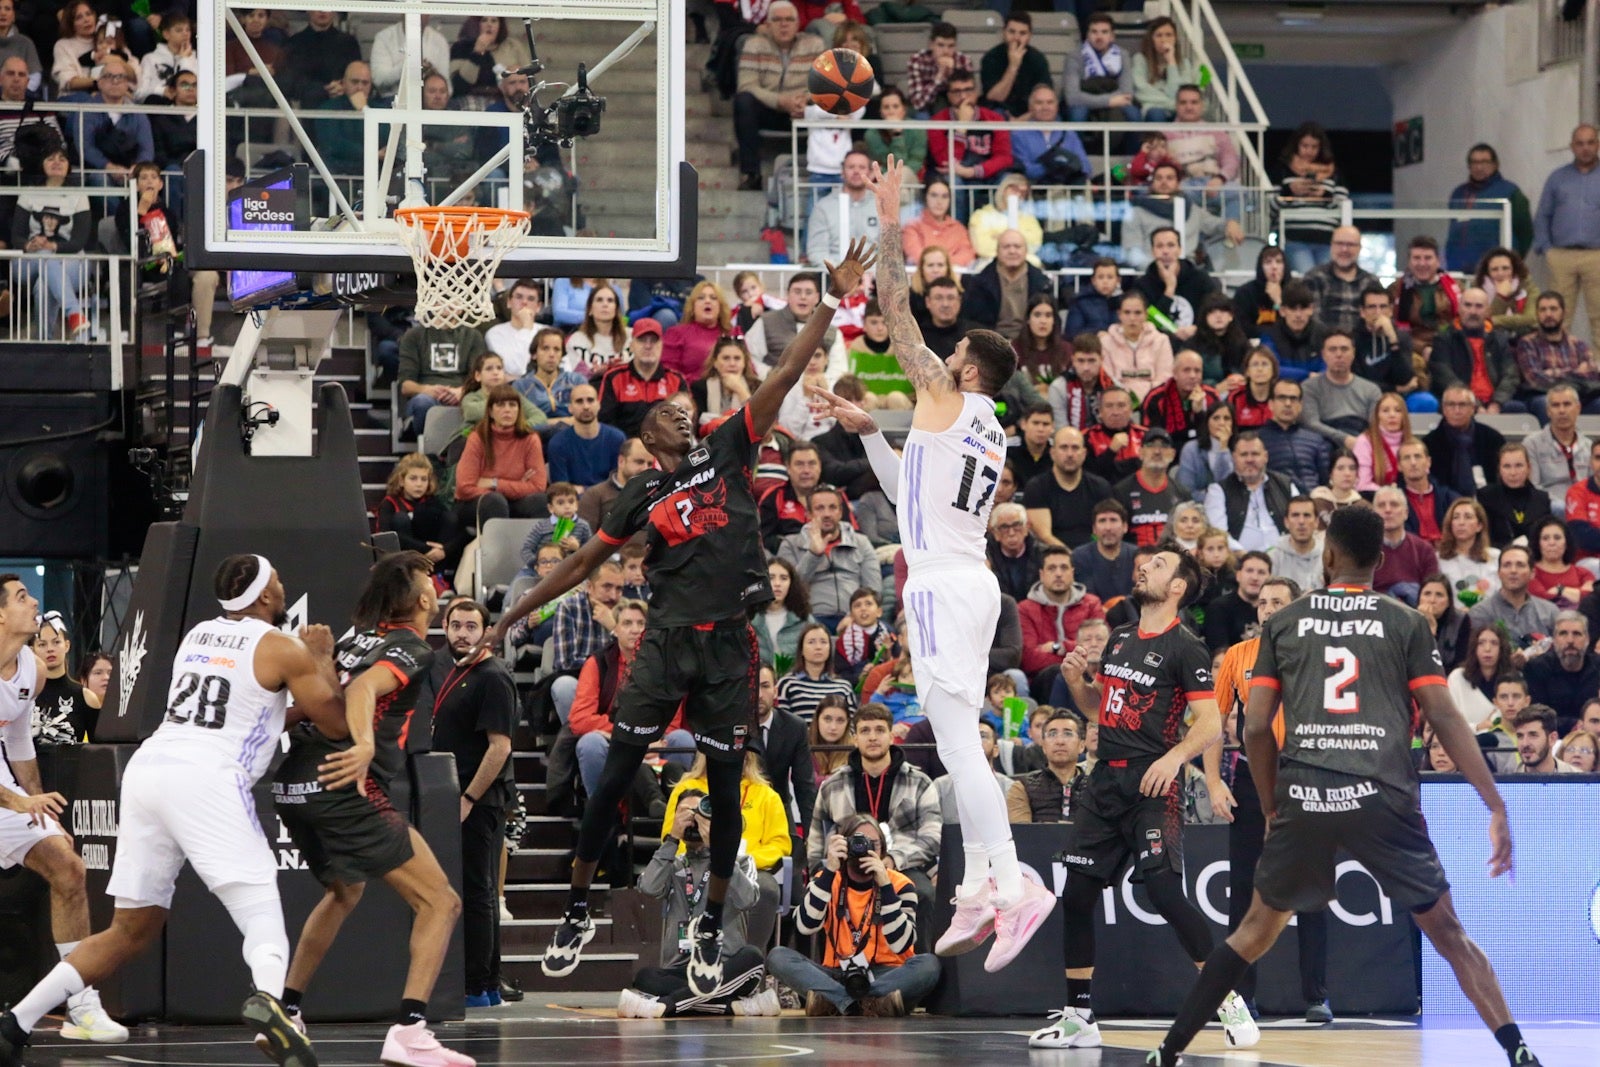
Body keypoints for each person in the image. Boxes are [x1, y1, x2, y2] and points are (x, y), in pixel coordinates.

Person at [483, 240, 876, 997]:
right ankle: (577, 906)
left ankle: (709, 923)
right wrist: (511, 615)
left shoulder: (728, 444)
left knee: (727, 791)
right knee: (614, 779)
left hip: (730, 644)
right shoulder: (635, 496)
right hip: (664, 644)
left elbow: (788, 368)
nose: (682, 413)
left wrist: (830, 298)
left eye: (684, 407)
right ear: (647, 438)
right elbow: (576, 566)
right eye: (669, 412)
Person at [1144, 505, 1541, 1067]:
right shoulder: (1406, 621)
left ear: (1326, 557)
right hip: (1383, 793)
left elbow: (1254, 727)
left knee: (1253, 932)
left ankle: (1167, 1051)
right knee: (1448, 932)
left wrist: (1272, 801)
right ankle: (1518, 1050)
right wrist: (1495, 803)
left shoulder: (1283, 623)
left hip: (1305, 792)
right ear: (1380, 562)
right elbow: (1445, 717)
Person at [806, 154, 1060, 971]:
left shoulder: (948, 396)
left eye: (949, 355)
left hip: (949, 588)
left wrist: (890, 215)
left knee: (956, 742)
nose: (936, 357)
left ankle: (1015, 886)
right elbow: (913, 497)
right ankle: (985, 881)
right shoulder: (974, 424)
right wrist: (869, 429)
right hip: (953, 574)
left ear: (968, 367)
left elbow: (892, 306)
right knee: (951, 740)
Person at [0, 558, 346, 1067]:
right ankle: (275, 1005)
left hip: (149, 770)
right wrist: (319, 659)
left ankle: (16, 1022)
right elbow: (335, 723)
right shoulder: (284, 648)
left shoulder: (199, 635)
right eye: (278, 581)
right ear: (268, 595)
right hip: (208, 777)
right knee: (260, 910)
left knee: (130, 930)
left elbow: (248, 704)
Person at [1033, 546, 1255, 1051]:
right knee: (1078, 894)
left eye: (1157, 565)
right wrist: (1076, 683)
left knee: (1163, 892)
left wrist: (1175, 759)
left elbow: (1211, 723)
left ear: (1178, 586)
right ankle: (1080, 1016)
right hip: (1105, 782)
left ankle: (1226, 998)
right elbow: (1099, 712)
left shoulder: (1187, 647)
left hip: (1154, 782)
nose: (1144, 567)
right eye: (1146, 563)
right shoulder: (1120, 637)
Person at [270, 553, 470, 1066]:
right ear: (425, 599)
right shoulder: (410, 648)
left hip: (294, 784)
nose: (433, 582)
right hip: (343, 783)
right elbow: (361, 689)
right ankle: (409, 1031)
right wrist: (362, 746)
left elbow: (325, 691)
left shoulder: (352, 636)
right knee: (440, 902)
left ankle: (287, 1012)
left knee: (344, 891)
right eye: (429, 578)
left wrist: (318, 660)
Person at [1205, 575, 1331, 1022]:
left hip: (1304, 776)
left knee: (1311, 886)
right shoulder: (1238, 657)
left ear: (1297, 607)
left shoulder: (1317, 653)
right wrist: (1214, 782)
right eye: (1262, 602)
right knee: (1245, 890)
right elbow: (1212, 721)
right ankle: (1244, 997)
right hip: (1251, 779)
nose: (1269, 608)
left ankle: (1316, 996)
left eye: (1279, 601)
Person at [0, 590, 119, 1044]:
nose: (34, 604)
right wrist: (19, 804)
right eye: (22, 597)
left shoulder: (29, 668)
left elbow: (17, 744)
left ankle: (82, 1008)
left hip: (6, 791)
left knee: (69, 869)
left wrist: (36, 804)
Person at [617, 787, 776, 1018]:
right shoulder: (673, 864)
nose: (693, 822)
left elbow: (747, 900)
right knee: (645, 977)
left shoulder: (740, 861)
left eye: (699, 816)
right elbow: (648, 888)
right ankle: (731, 1006)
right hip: (681, 969)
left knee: (752, 958)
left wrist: (718, 847)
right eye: (686, 815)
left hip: (725, 966)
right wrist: (671, 838)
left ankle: (665, 1005)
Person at [426, 600, 515, 1009]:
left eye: (471, 626)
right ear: (444, 626)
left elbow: (499, 748)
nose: (463, 633)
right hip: (448, 796)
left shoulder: (492, 676)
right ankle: (482, 982)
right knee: (463, 889)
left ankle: (481, 985)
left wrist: (469, 798)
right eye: (456, 625)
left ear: (486, 630)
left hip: (479, 799)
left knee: (479, 891)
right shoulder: (446, 669)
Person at [767, 813, 940, 1017]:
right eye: (856, 841)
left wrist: (885, 886)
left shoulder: (901, 884)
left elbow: (901, 944)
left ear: (883, 849)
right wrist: (830, 869)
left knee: (929, 964)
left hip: (887, 973)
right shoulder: (826, 879)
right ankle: (869, 1003)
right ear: (844, 845)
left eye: (871, 843)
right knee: (778, 956)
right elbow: (806, 925)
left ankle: (838, 1002)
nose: (863, 848)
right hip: (838, 973)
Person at [1531, 124, 1600, 343]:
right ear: (1572, 147)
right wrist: (1546, 248)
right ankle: (1559, 364)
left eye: (1590, 142)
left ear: (1597, 145)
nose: (1585, 148)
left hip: (1596, 256)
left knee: (1599, 315)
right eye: (1580, 143)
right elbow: (1543, 215)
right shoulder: (1557, 178)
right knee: (1557, 314)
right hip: (1561, 255)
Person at [1428, 287, 1524, 414]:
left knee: (1518, 409)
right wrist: (1474, 404)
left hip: (1495, 403)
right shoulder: (1443, 339)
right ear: (1459, 308)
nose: (1473, 311)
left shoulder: (1499, 339)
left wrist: (1497, 403)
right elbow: (1445, 377)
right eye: (1467, 305)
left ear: (1488, 311)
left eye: (1479, 306)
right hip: (1459, 401)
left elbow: (1511, 375)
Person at [1268, 124, 1347, 274]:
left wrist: (1324, 196)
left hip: (1326, 239)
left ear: (1321, 148)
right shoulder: (1282, 171)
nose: (1309, 151)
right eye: (1305, 146)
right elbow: (1270, 206)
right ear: (1296, 145)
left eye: (1314, 147)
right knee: (1309, 277)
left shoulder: (1334, 173)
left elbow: (1344, 208)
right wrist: (1290, 192)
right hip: (1294, 238)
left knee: (1325, 280)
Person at [1204, 432, 1298, 553]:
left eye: (1255, 454)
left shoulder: (1285, 484)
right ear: (1234, 458)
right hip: (1240, 562)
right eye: (1244, 455)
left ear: (1266, 457)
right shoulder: (1218, 491)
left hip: (1285, 557)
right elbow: (1219, 534)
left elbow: (1302, 517)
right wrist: (1244, 556)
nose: (1249, 460)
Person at [1447, 144, 1534, 274]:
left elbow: (1525, 233)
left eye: (1484, 162)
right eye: (1474, 162)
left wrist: (1512, 261)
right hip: (1460, 270)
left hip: (1495, 271)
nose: (1479, 167)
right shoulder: (1459, 194)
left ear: (1495, 164)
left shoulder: (1510, 192)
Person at [1514, 293, 1600, 421]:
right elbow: (1535, 379)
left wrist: (1551, 374)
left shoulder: (1578, 344)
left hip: (1578, 398)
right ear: (1537, 314)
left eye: (1553, 309)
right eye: (1543, 310)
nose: (1548, 314)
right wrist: (1575, 372)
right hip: (1542, 396)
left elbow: (1592, 376)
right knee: (1545, 404)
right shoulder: (1527, 343)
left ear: (1563, 313)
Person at [925, 69, 1013, 193]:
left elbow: (1004, 157)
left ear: (976, 92)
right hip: (955, 176)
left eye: (968, 90)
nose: (963, 96)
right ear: (949, 95)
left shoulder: (994, 118)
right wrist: (961, 127)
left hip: (987, 174)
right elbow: (945, 161)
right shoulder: (937, 121)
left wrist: (972, 172)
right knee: (951, 181)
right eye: (957, 91)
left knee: (1009, 181)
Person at [1134, 227, 1219, 344]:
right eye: (1160, 246)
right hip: (1157, 345)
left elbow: (1216, 309)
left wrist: (1199, 328)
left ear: (1179, 249)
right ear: (1153, 251)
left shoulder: (1200, 279)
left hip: (1198, 340)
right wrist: (1169, 289)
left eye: (1171, 245)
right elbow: (1148, 321)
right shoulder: (1142, 285)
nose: (1165, 251)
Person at [1300, 331, 1382, 452]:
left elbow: (1376, 427)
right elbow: (1310, 423)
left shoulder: (1371, 390)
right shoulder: (1309, 387)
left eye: (1344, 349)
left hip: (1362, 445)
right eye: (1332, 349)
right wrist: (1345, 439)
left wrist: (1361, 442)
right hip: (1322, 444)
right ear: (1323, 355)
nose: (1339, 354)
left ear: (1353, 353)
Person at [1468, 545, 1559, 649]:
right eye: (1507, 565)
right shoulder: (1480, 612)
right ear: (1499, 573)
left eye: (1520, 565)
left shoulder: (1550, 612)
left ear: (1532, 573)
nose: (1513, 571)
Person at [1522, 611, 1600, 733]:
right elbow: (1537, 716)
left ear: (1587, 639)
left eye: (1577, 634)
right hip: (1551, 738)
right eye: (1563, 633)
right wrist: (1575, 725)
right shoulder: (1536, 668)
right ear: (1554, 640)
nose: (1570, 640)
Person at [1006, 708, 1087, 823]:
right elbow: (1022, 835)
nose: (1060, 741)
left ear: (1082, 746)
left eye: (1068, 734)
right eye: (1052, 734)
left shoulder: (1097, 788)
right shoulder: (1022, 787)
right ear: (1043, 746)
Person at [1064, 12, 1139, 133]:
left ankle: (1132, 152)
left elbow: (1127, 93)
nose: (1099, 37)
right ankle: (1076, 152)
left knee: (1134, 115)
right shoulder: (1074, 56)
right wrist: (1108, 101)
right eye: (1094, 32)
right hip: (1085, 101)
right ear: (1087, 35)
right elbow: (1072, 97)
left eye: (1104, 32)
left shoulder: (1122, 54)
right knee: (1078, 115)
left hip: (1107, 99)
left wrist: (1110, 101)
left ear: (1112, 36)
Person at [1387, 235, 1461, 358]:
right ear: (1409, 262)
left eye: (1428, 258)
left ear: (1438, 261)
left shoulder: (1457, 288)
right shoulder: (1395, 290)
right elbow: (1391, 328)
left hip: (1450, 348)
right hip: (1409, 351)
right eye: (1416, 258)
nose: (1422, 263)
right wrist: (1423, 349)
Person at [807, 150, 881, 269]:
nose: (856, 171)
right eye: (851, 167)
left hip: (874, 278)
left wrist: (869, 274)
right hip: (834, 279)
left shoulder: (881, 206)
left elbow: (889, 251)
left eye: (862, 167)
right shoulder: (823, 207)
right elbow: (817, 252)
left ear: (871, 173)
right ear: (842, 172)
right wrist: (842, 275)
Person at [1100, 290, 1175, 404]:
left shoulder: (1161, 340)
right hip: (1118, 402)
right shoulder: (1106, 342)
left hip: (1154, 401)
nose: (1132, 318)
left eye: (1137, 313)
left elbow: (1165, 378)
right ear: (1119, 314)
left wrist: (1146, 397)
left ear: (1146, 315)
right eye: (1127, 312)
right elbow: (1108, 379)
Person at [1352, 284, 1424, 402]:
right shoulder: (1353, 338)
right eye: (1371, 307)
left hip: (1398, 397)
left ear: (1390, 311)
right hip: (1364, 396)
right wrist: (1396, 389)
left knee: (1424, 401)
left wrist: (1392, 339)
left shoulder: (1401, 337)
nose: (1378, 312)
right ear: (1362, 312)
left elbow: (1406, 379)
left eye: (1383, 307)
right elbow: (1356, 382)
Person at [1257, 378, 1329, 494]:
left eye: (1293, 399)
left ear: (1300, 405)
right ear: (1270, 404)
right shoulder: (1258, 440)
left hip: (1315, 502)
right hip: (1277, 501)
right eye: (1281, 398)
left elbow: (1326, 480)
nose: (1288, 404)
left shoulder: (1316, 440)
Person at [1302, 225, 1378, 336]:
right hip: (1324, 346)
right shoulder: (1314, 278)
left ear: (1359, 248)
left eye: (1350, 245)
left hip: (1362, 347)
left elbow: (1376, 319)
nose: (1344, 249)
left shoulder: (1371, 282)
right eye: (1339, 244)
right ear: (1331, 246)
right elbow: (1312, 322)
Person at [1371, 487, 1439, 607]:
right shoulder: (1362, 551)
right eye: (1381, 505)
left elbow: (1433, 591)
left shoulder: (1424, 549)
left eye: (1394, 504)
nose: (1388, 510)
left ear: (1406, 513)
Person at [1479, 442, 1552, 548]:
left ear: (1529, 468)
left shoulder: (1542, 499)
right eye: (1507, 466)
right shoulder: (1486, 496)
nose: (1513, 473)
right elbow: (1484, 539)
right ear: (1499, 469)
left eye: (1519, 465)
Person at [979, 10, 1050, 117]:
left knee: (1053, 116)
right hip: (999, 111)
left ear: (1029, 35)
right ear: (1004, 32)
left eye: (1022, 33)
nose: (1016, 38)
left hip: (1031, 114)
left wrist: (1023, 120)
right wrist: (1013, 66)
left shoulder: (1038, 59)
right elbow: (995, 97)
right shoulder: (991, 58)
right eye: (1011, 32)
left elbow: (1044, 97)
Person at [1131, 17, 1194, 122]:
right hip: (1154, 108)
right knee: (1156, 114)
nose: (1164, 40)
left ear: (1175, 38)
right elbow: (1141, 90)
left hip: (1177, 110)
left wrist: (1171, 62)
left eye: (1169, 35)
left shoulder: (1184, 64)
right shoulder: (1140, 59)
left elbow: (1176, 93)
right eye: (1158, 35)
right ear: (1151, 39)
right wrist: (1174, 104)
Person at [904, 20, 973, 116]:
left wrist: (952, 74)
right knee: (921, 116)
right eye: (940, 45)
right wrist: (939, 76)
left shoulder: (963, 60)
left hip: (954, 106)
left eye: (951, 46)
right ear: (931, 45)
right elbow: (918, 103)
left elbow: (968, 98)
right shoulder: (917, 60)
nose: (946, 51)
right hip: (926, 107)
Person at [902, 181, 976, 267]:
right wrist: (946, 264)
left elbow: (967, 255)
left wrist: (941, 265)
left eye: (944, 196)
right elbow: (916, 256)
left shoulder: (958, 228)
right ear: (925, 197)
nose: (939, 201)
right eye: (934, 195)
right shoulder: (912, 227)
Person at [1474, 247, 1541, 339]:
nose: (1500, 273)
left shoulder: (1528, 286)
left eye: (1505, 268)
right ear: (1487, 272)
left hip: (1523, 337)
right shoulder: (1478, 289)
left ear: (1514, 269)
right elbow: (1480, 321)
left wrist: (1494, 320)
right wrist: (1501, 297)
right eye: (1494, 269)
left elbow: (1531, 319)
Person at [1528, 517, 1591, 609]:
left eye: (1557, 538)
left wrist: (1560, 590)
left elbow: (1591, 598)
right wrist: (1577, 594)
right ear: (1538, 544)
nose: (1552, 543)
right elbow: (1543, 600)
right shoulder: (1530, 573)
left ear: (1566, 542)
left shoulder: (1583, 573)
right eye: (1545, 538)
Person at [1176, 401, 1235, 498]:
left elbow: (1228, 486)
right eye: (1216, 418)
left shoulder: (1239, 449)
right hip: (1199, 507)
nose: (1221, 423)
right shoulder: (1191, 449)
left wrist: (1223, 449)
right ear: (1207, 422)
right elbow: (1186, 492)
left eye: (1227, 418)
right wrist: (1213, 498)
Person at [1267, 497, 1324, 594]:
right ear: (1286, 522)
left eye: (1307, 515)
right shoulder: (1273, 557)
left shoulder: (1328, 556)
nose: (1301, 521)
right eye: (1295, 515)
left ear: (1316, 522)